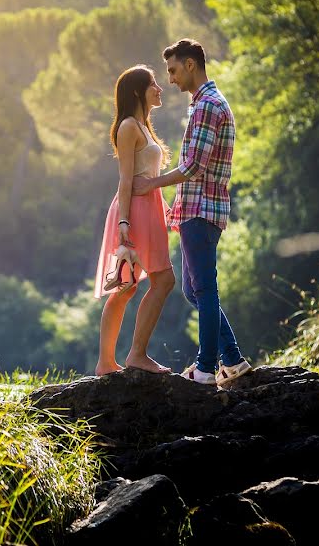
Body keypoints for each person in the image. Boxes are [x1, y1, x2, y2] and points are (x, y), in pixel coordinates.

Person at [135, 39, 251, 386]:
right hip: (198, 210)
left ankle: (204, 368)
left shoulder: (207, 106)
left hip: (201, 211)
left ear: (190, 65)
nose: (169, 79)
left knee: (204, 289)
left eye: (172, 70)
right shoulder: (204, 103)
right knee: (193, 289)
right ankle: (232, 361)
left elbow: (194, 166)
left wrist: (151, 185)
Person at [93, 65, 176, 376]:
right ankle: (124, 358)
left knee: (133, 286)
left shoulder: (142, 126)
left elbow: (147, 177)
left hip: (149, 209)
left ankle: (120, 359)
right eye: (153, 83)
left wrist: (167, 211)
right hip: (134, 211)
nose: (159, 87)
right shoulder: (128, 126)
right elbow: (126, 180)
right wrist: (123, 223)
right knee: (139, 284)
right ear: (138, 91)